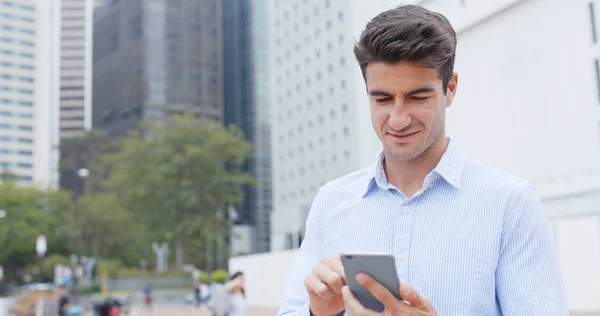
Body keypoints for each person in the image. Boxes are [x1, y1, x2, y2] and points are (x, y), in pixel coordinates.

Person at [277, 4, 567, 316]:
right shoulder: (331, 201)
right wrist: (318, 313)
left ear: (450, 88)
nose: (398, 119)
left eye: (418, 97)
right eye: (383, 99)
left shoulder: (510, 204)